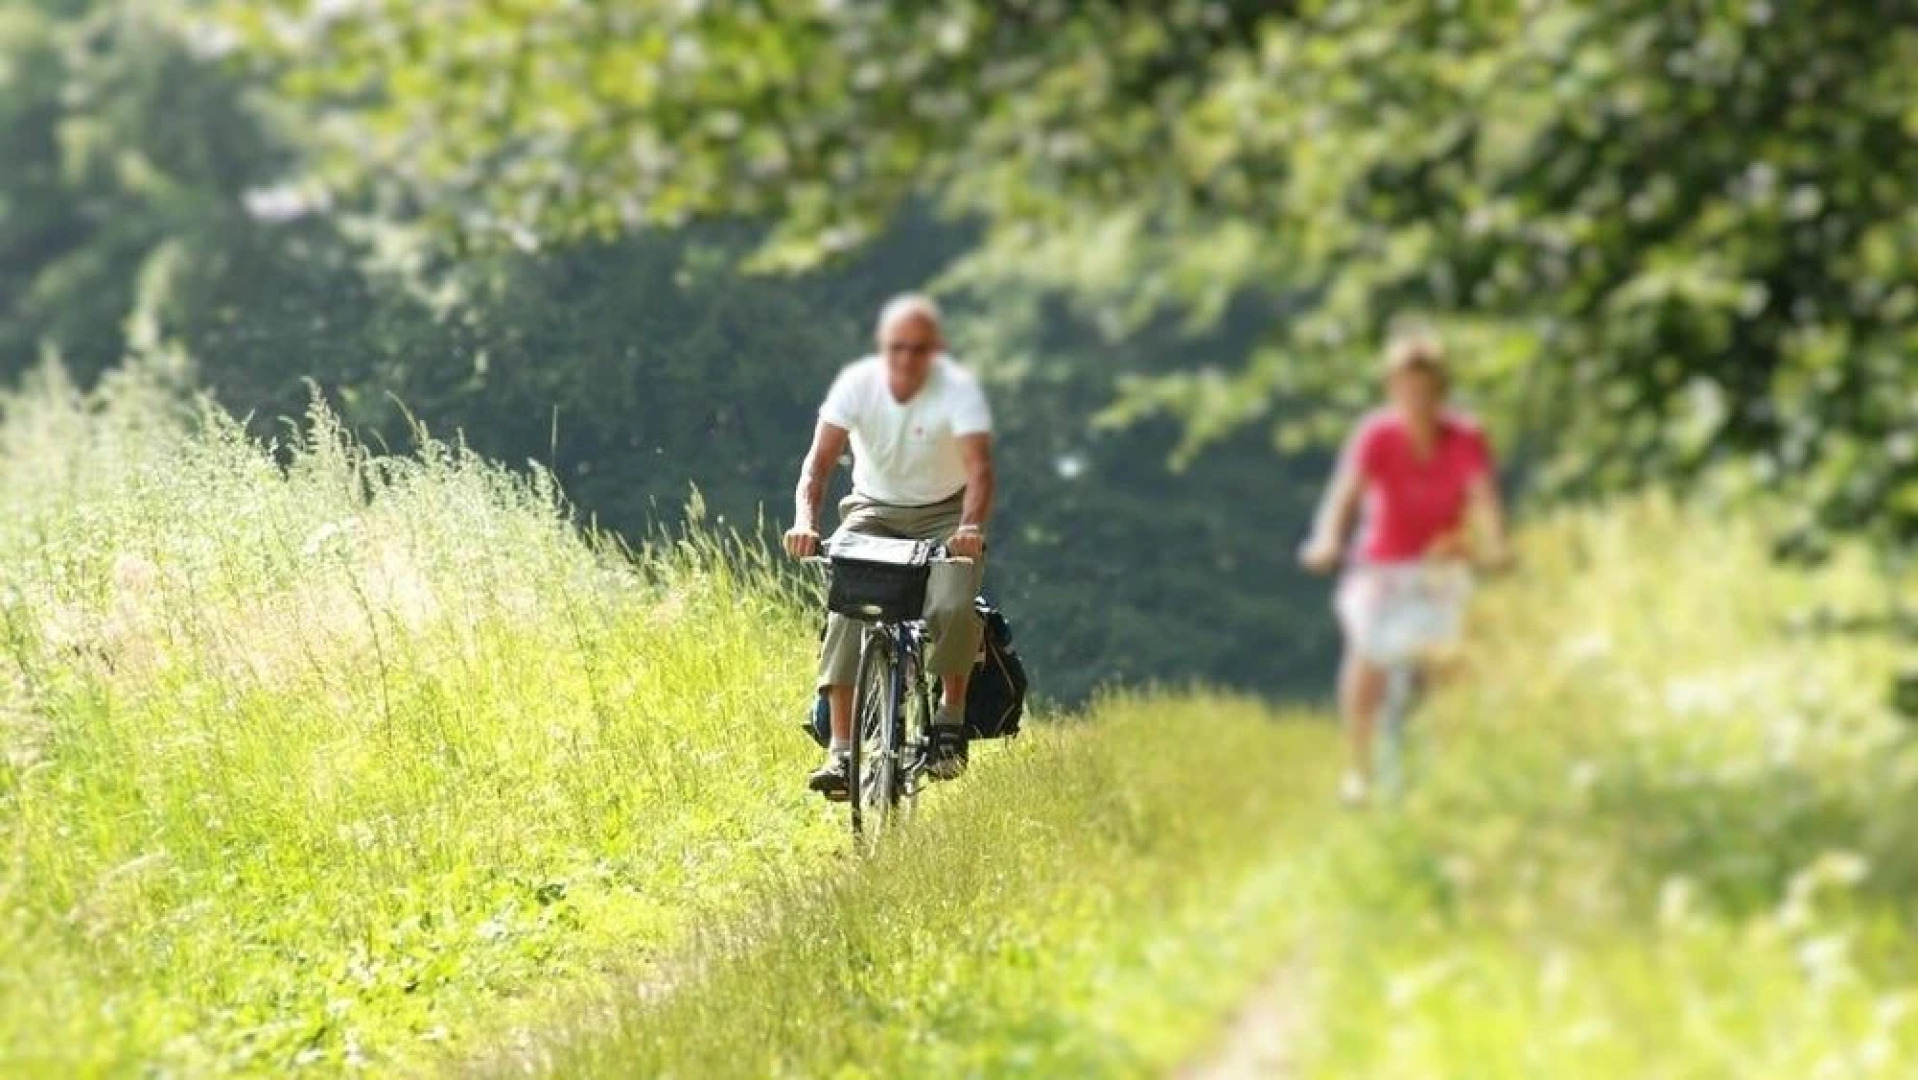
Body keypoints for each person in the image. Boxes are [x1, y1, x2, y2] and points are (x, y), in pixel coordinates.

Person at [783, 295, 994, 798]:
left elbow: (980, 471)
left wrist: (969, 527)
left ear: (935, 350)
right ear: (883, 347)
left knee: (952, 604)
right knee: (846, 610)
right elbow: (817, 465)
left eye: (919, 349)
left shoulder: (958, 392)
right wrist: (805, 522)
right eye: (898, 347)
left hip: (946, 512)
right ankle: (841, 752)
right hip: (873, 512)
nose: (907, 358)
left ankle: (950, 717)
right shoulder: (855, 387)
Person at [1299, 336, 1511, 805]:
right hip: (1380, 567)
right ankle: (1359, 771)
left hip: (1442, 566)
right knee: (1366, 652)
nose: (1417, 399)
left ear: (1442, 391)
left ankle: (1453, 769)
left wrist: (1495, 545)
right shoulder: (1376, 435)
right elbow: (1344, 497)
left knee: (1451, 663)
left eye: (1427, 389)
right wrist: (1327, 540)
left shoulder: (1465, 438)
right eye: (1407, 389)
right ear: (1391, 389)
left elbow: (1484, 499)